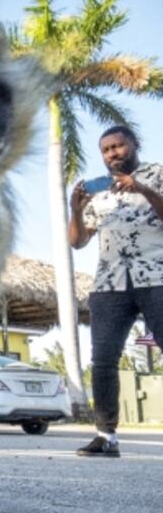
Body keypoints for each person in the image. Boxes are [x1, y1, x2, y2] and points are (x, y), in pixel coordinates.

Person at [69, 125, 163, 457]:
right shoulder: (101, 192)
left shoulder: (158, 174)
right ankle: (106, 437)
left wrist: (141, 188)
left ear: (134, 145)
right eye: (106, 149)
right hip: (109, 284)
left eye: (118, 146)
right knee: (103, 361)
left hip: (157, 277)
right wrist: (76, 209)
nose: (112, 154)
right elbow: (78, 242)